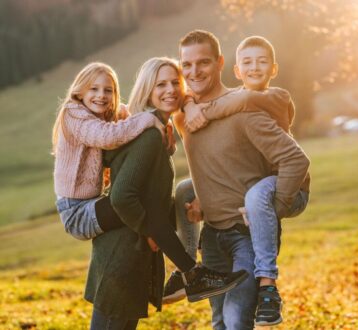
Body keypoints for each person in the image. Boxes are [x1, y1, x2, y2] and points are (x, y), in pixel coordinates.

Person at [84, 57, 248, 329]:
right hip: (122, 254)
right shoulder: (147, 135)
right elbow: (122, 197)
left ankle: (192, 274)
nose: (170, 89)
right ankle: (193, 274)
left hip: (134, 252)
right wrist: (152, 231)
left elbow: (149, 198)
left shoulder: (159, 130)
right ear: (147, 90)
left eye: (175, 82)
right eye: (161, 84)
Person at [165, 35, 311, 326]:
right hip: (211, 236)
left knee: (235, 321)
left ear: (220, 63)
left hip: (246, 236)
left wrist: (276, 208)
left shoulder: (244, 109)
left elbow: (295, 161)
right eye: (187, 65)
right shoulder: (183, 117)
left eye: (203, 63)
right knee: (219, 320)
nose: (194, 72)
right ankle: (186, 271)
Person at [52, 62, 165, 241]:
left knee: (151, 201)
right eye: (94, 89)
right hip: (76, 212)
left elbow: (135, 115)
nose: (101, 96)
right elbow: (107, 136)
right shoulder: (73, 112)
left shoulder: (107, 111)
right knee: (137, 204)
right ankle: (177, 252)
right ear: (80, 91)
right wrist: (149, 119)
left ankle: (178, 236)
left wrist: (164, 119)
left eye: (108, 90)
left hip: (95, 201)